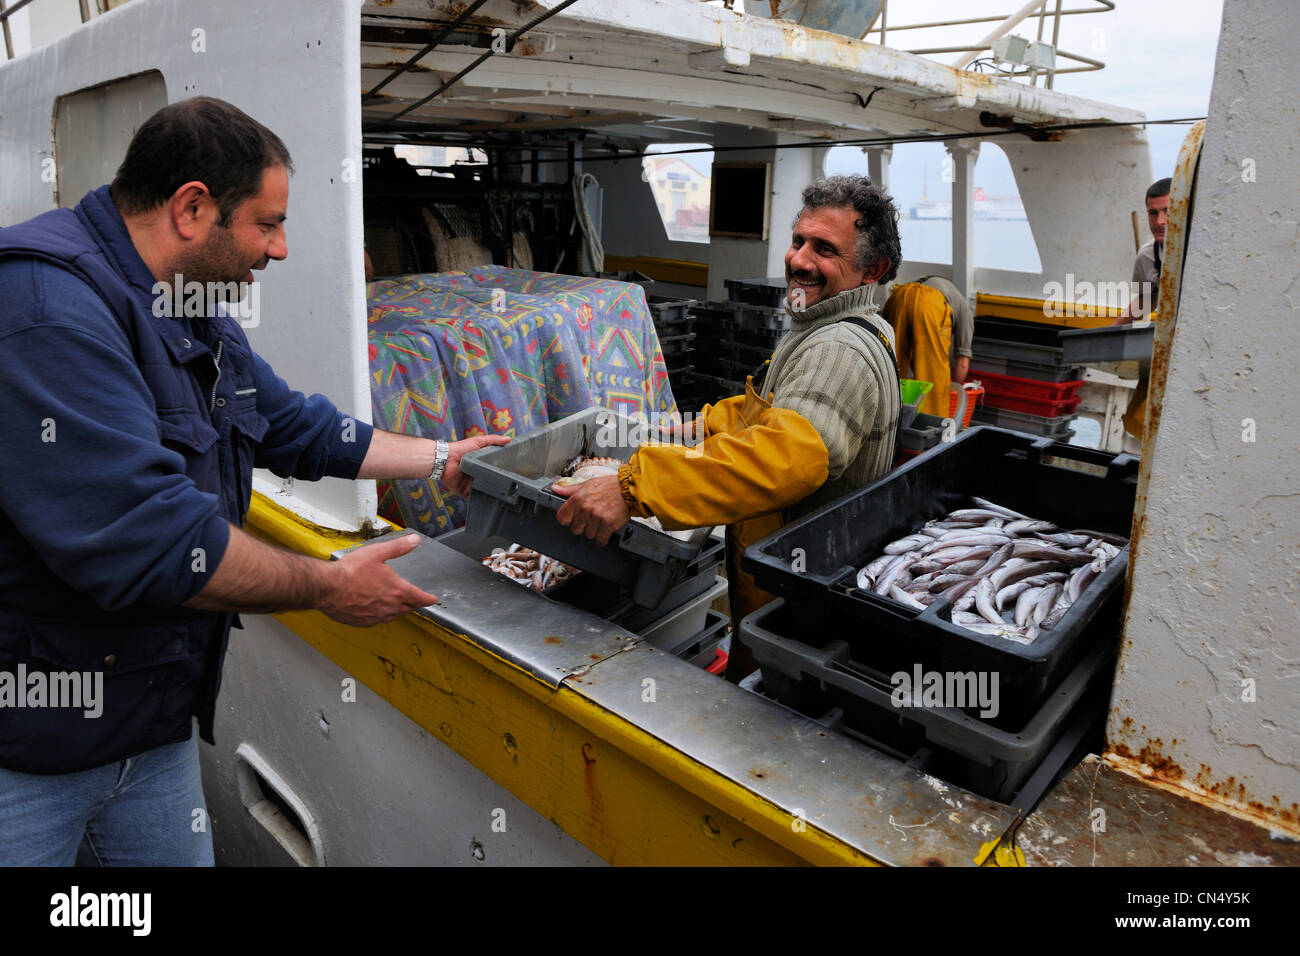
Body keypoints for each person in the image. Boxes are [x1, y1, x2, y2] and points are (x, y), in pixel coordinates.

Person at [0, 97, 507, 865]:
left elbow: (293, 425)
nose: (281, 249)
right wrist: (328, 586)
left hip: (150, 726)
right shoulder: (46, 308)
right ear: (192, 208)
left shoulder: (186, 302)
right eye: (267, 224)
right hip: (30, 751)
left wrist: (444, 459)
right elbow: (150, 541)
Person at [552, 175, 902, 681]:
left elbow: (785, 458)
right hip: (775, 594)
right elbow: (771, 413)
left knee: (764, 703)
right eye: (799, 240)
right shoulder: (833, 326)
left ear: (874, 269)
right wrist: (692, 427)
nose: (800, 260)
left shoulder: (838, 351)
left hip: (795, 607)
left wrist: (633, 489)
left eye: (825, 249)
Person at [881, 274, 974, 417]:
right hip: (930, 303)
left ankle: (883, 419)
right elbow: (963, 363)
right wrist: (952, 388)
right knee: (934, 375)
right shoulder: (965, 310)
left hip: (898, 296)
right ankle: (930, 430)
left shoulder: (939, 287)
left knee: (890, 367)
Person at [1112, 177, 1170, 326]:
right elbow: (1147, 299)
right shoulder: (1147, 256)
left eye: (1168, 211)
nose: (1159, 222)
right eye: (1153, 213)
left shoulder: (1203, 251)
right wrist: (1109, 332)